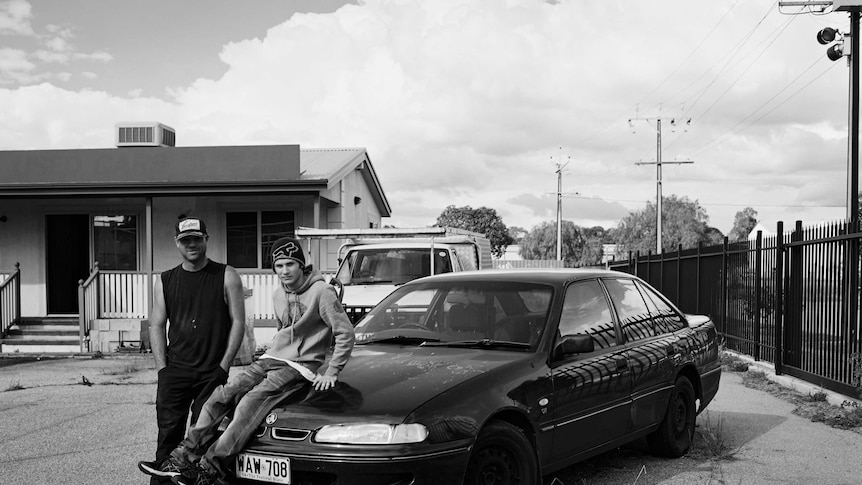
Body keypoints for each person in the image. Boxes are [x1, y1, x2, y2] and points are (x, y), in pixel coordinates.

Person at [141, 236, 356, 485]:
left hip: (300, 367)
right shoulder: (278, 294)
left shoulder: (322, 292)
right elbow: (284, 331)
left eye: (290, 264)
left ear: (301, 265)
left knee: (248, 404)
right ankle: (183, 457)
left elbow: (345, 332)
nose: (284, 271)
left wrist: (332, 371)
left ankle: (210, 468)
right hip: (271, 359)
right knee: (220, 397)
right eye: (279, 266)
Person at [138, 217, 246, 485]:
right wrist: (162, 370)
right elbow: (157, 324)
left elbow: (238, 322)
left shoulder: (226, 275)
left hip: (212, 373)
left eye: (197, 238)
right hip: (175, 372)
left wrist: (223, 366)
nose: (192, 244)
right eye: (186, 240)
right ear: (177, 243)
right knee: (168, 439)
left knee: (203, 441)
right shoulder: (165, 280)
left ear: (206, 239)